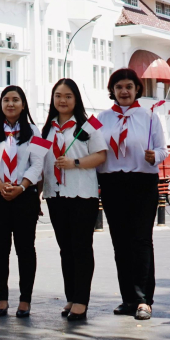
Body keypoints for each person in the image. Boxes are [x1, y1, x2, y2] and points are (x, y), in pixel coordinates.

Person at [95, 69, 165, 320]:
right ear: (112, 91)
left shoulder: (150, 117)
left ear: (137, 89)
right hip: (112, 182)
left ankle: (144, 299)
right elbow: (82, 139)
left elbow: (162, 149)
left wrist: (154, 156)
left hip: (142, 181)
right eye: (119, 87)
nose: (124, 91)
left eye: (129, 86)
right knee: (120, 242)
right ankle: (128, 298)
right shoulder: (100, 118)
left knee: (141, 240)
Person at [41, 78, 109, 322]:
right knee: (65, 249)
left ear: (76, 99)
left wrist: (75, 163)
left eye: (68, 96)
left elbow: (101, 155)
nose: (63, 100)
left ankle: (82, 300)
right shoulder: (47, 128)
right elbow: (40, 161)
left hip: (82, 193)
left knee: (81, 247)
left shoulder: (88, 126)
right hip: (55, 194)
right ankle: (71, 295)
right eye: (58, 95)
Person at [0, 85, 45, 318]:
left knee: (26, 249)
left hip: (24, 195)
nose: (10, 104)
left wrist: (22, 187)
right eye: (6, 100)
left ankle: (25, 300)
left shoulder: (35, 131)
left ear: (23, 104)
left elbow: (38, 164)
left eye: (15, 100)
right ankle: (2, 299)